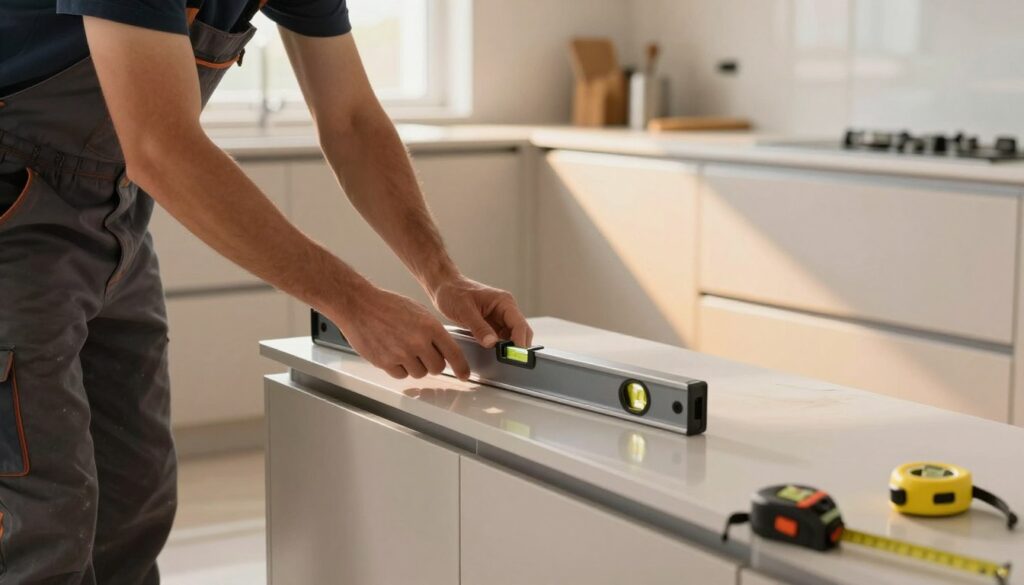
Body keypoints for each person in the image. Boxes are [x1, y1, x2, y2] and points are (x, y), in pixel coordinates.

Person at [0, 0, 533, 582]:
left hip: (117, 213)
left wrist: (442, 276)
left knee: (133, 504)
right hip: (12, 220)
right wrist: (354, 302)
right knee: (41, 526)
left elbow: (350, 117)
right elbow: (159, 147)